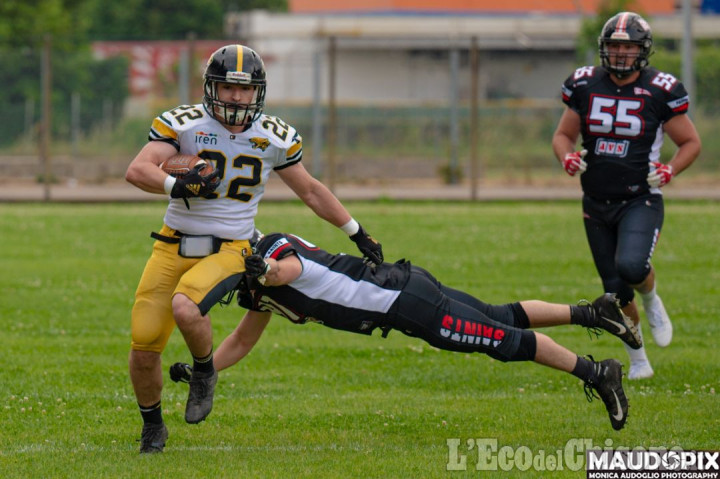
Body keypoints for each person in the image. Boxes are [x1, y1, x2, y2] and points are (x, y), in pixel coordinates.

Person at [124, 45, 383, 453]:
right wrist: (178, 185)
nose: (236, 97)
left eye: (245, 90)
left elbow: (311, 191)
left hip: (230, 246)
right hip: (172, 245)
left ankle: (205, 372)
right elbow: (137, 169)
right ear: (212, 87)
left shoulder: (272, 135)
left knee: (186, 307)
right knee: (143, 348)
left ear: (258, 92)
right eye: (228, 87)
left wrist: (356, 231)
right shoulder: (185, 123)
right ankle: (153, 428)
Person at [171, 231, 643, 431]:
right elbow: (241, 340)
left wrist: (264, 271)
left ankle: (597, 371)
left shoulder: (268, 251)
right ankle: (592, 314)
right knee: (499, 316)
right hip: (403, 289)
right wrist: (204, 371)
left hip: (404, 303)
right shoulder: (255, 291)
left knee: (504, 343)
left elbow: (287, 270)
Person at [552, 12, 701, 380]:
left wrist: (670, 170)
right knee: (616, 294)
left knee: (632, 267)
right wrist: (566, 157)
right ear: (604, 49)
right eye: (615, 46)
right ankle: (638, 360)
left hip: (641, 198)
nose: (620, 53)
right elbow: (562, 136)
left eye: (628, 46)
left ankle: (652, 299)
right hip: (596, 201)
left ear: (642, 50)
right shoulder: (585, 84)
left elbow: (691, 142)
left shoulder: (660, 90)